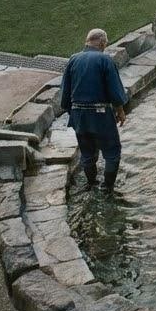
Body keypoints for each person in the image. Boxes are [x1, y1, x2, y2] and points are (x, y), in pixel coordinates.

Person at [60, 28, 129, 192]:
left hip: (79, 115)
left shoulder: (73, 59)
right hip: (101, 116)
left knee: (87, 153)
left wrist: (74, 114)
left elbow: (65, 94)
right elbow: (115, 92)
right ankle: (107, 188)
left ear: (87, 41)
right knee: (112, 152)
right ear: (102, 43)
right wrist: (120, 111)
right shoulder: (105, 60)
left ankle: (91, 183)